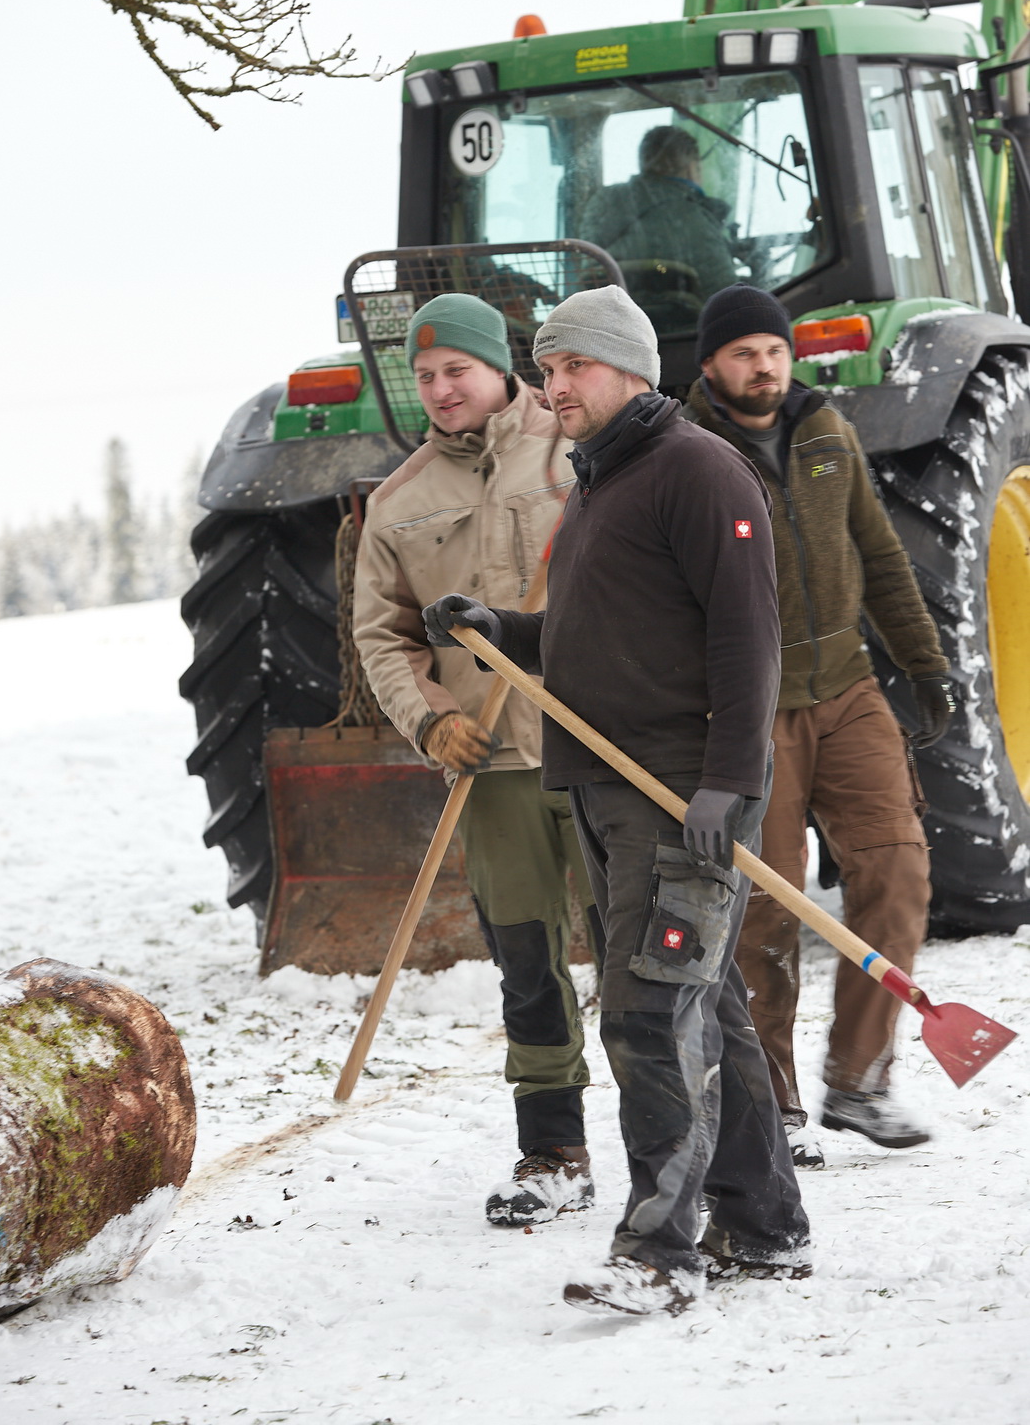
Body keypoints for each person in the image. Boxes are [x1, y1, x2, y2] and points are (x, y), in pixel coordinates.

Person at [424, 284, 810, 1318]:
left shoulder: (697, 470)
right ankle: (764, 1227)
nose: (554, 388)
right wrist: (502, 630)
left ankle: (657, 1254)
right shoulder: (601, 482)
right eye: (545, 371)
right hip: (607, 787)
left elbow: (747, 640)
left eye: (574, 368)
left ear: (631, 368)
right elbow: (591, 641)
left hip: (676, 793)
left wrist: (729, 782)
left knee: (647, 1015)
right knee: (703, 1008)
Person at [686, 284, 955, 1167]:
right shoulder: (688, 454)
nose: (762, 367)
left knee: (897, 869)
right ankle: (771, 1104)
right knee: (765, 909)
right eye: (743, 354)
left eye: (773, 351)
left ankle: (858, 1079)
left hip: (846, 687)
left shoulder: (828, 433)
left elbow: (879, 555)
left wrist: (924, 664)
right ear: (709, 365)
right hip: (747, 705)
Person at [352, 292, 604, 1228]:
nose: (439, 389)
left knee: (642, 951)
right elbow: (382, 637)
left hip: (605, 749)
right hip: (493, 768)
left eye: (455, 369)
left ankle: (693, 1132)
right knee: (526, 963)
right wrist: (431, 720)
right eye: (423, 376)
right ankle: (554, 1152)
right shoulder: (398, 501)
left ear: (500, 367)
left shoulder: (583, 453)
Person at [579, 124, 739, 318]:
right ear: (691, 168)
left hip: (607, 322)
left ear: (645, 163)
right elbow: (727, 295)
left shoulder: (601, 203)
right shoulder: (692, 217)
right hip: (682, 327)